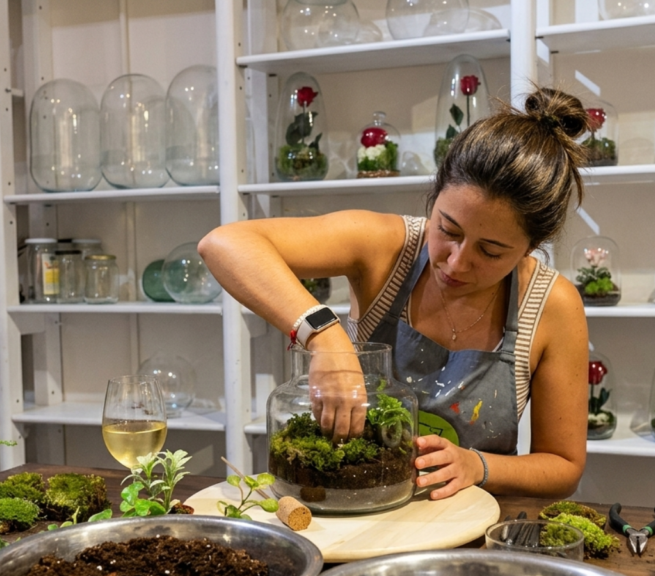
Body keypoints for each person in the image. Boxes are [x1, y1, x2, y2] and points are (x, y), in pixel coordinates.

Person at [199, 87, 589, 500]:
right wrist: (325, 337)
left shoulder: (551, 306)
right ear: (434, 197)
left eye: (491, 251)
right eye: (448, 230)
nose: (457, 262)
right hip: (356, 511)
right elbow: (224, 244)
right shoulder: (385, 249)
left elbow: (563, 466)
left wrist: (479, 465)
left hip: (467, 531)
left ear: (529, 247)